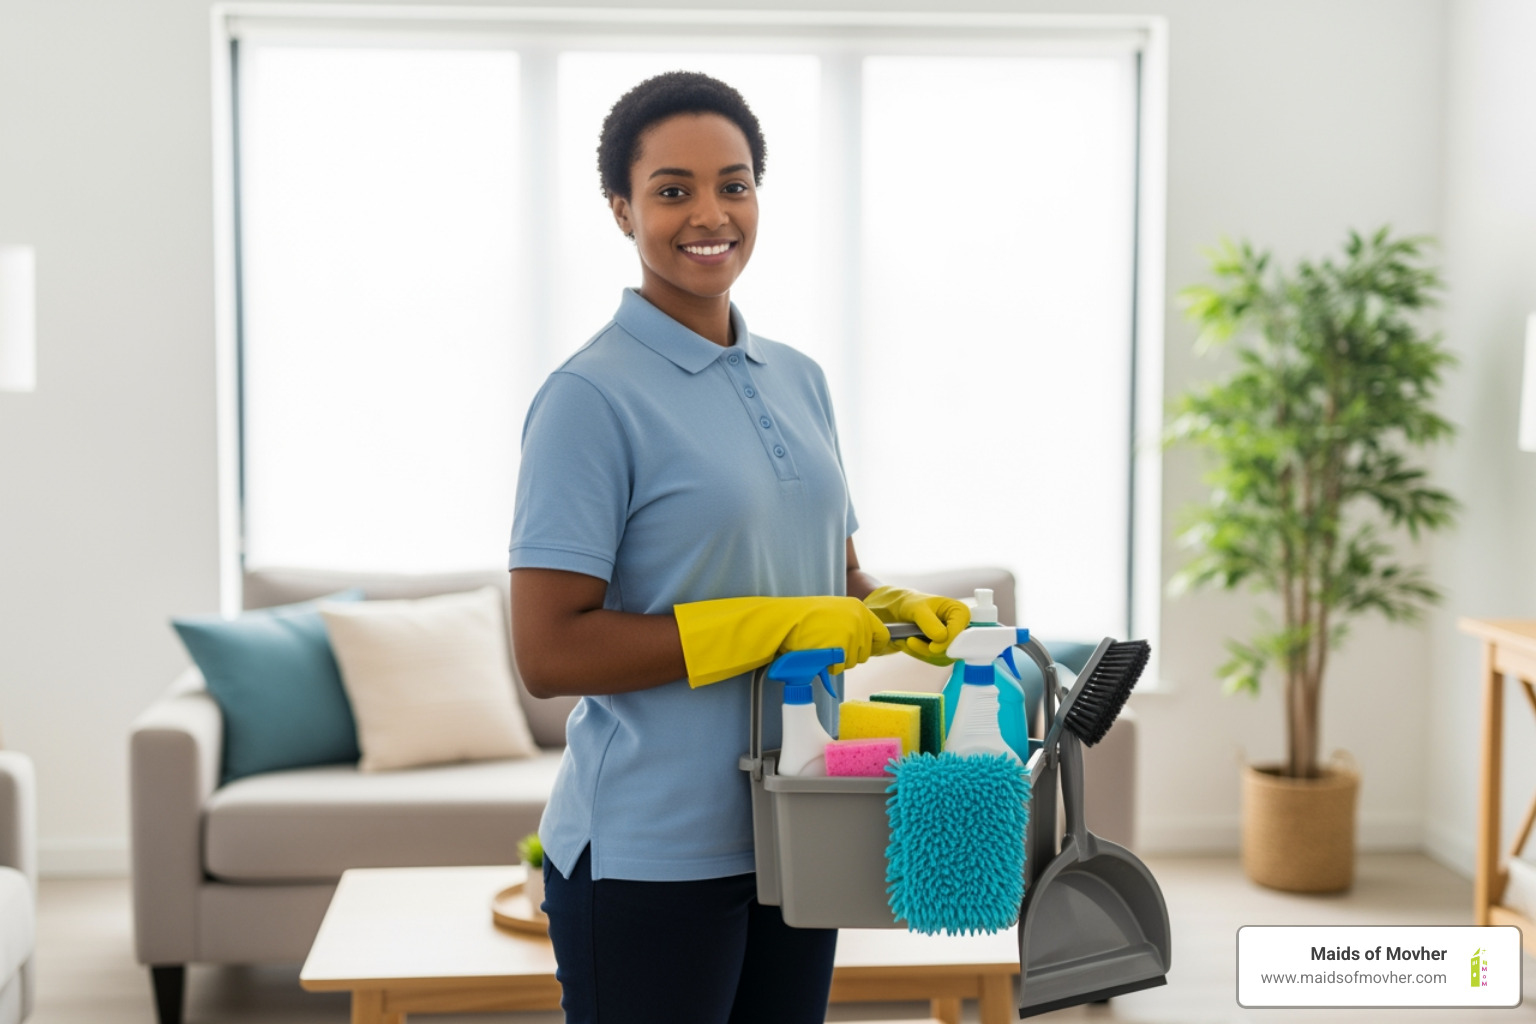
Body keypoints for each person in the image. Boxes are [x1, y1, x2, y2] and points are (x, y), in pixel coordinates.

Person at [508, 70, 970, 1024]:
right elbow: (550, 652)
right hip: (651, 850)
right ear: (620, 210)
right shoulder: (588, 399)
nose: (708, 213)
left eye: (735, 183)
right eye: (671, 189)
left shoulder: (799, 380)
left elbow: (830, 577)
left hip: (797, 824)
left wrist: (888, 612)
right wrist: (769, 625)